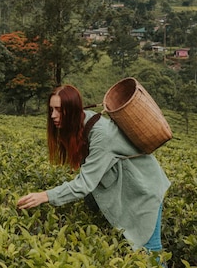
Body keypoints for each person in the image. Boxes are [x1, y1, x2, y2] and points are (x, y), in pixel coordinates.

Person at [17, 84, 170, 254]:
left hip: (144, 192)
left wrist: (45, 196)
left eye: (59, 110)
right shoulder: (83, 124)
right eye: (51, 109)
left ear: (74, 110)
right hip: (129, 191)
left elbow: (84, 184)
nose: (53, 115)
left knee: (150, 250)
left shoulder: (101, 135)